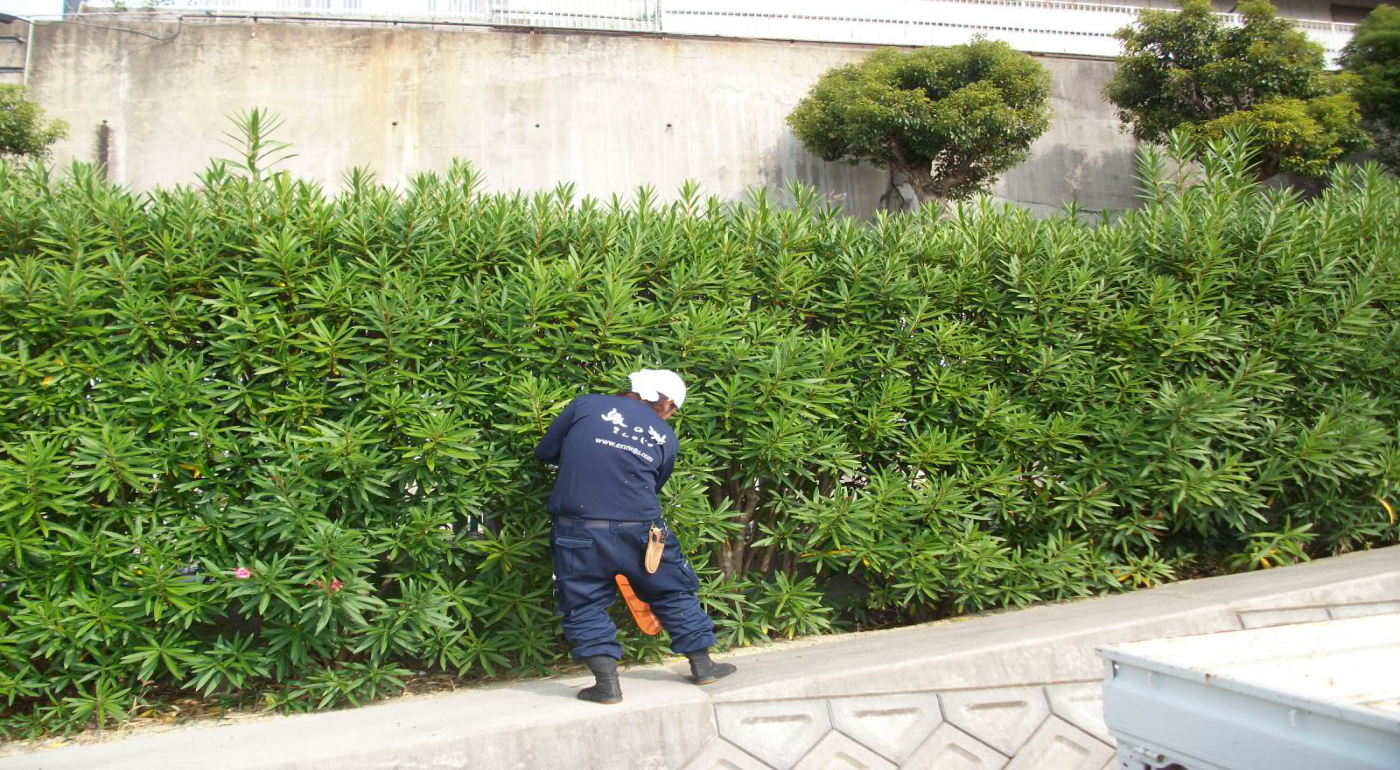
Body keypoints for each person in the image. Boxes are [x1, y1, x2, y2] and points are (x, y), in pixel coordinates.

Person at [533, 369, 736, 704]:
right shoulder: (666, 437)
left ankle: (606, 686)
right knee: (671, 589)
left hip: (579, 528)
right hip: (642, 530)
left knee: (583, 600)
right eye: (674, 410)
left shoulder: (586, 405)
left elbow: (545, 453)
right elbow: (654, 484)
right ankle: (703, 667)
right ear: (666, 403)